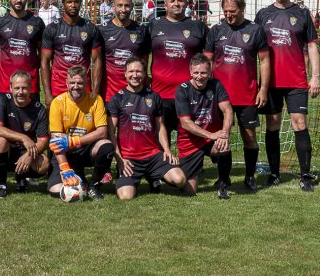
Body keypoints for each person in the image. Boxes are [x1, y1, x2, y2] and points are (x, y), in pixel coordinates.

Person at [254, 0, 320, 191]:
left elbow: (311, 45)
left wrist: (315, 76)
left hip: (297, 80)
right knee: (272, 124)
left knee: (299, 123)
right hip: (270, 82)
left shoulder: (302, 13)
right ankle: (274, 173)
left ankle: (305, 175)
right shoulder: (263, 14)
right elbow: (253, 47)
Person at [204, 0, 270, 192]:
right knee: (222, 136)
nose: (229, 15)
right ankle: (224, 178)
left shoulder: (255, 30)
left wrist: (263, 89)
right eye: (225, 12)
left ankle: (249, 176)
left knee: (249, 137)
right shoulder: (216, 30)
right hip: (219, 97)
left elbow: (265, 61)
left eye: (233, 11)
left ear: (242, 9)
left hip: (247, 95)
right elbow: (207, 61)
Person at [107, 58, 188, 200]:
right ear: (125, 74)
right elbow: (111, 133)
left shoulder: (154, 97)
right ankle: (137, 179)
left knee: (180, 180)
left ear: (144, 74)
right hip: (129, 159)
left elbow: (161, 126)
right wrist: (119, 158)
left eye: (139, 71)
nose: (135, 75)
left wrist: (167, 150)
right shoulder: (117, 99)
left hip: (153, 156)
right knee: (126, 197)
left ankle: (153, 177)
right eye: (131, 71)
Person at [148, 0, 208, 141]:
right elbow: (142, 57)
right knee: (161, 137)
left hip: (190, 93)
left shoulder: (198, 26)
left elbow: (209, 57)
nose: (176, 3)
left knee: (190, 138)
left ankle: (189, 164)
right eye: (172, 0)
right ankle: (165, 165)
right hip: (160, 93)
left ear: (186, 3)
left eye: (180, 0)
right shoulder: (153, 25)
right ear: (165, 4)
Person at [46, 66, 114, 200]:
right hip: (66, 152)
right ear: (66, 83)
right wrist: (65, 168)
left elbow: (102, 132)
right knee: (55, 189)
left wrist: (74, 141)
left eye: (80, 83)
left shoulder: (96, 100)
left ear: (86, 83)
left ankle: (94, 185)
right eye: (72, 83)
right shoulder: (57, 103)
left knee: (107, 146)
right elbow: (55, 141)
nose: (76, 86)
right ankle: (79, 180)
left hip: (85, 149)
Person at [175, 55, 235, 198]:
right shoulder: (182, 90)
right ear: (190, 72)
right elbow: (186, 123)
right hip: (190, 143)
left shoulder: (216, 85)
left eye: (203, 73)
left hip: (211, 141)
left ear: (210, 72)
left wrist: (224, 133)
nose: (200, 76)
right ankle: (177, 173)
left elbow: (228, 110)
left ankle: (223, 182)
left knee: (224, 145)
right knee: (190, 191)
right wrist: (212, 135)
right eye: (196, 73)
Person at [40, 0, 104, 105]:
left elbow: (97, 61)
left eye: (76, 2)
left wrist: (95, 92)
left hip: (83, 86)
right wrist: (48, 94)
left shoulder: (91, 28)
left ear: (80, 3)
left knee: (83, 123)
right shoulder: (52, 28)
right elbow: (45, 61)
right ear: (63, 4)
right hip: (58, 87)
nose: (73, 5)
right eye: (69, 2)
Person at [0, 71, 50, 196]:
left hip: (26, 150)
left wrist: (29, 156)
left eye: (24, 88)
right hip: (6, 150)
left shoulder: (39, 109)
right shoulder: (2, 100)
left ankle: (21, 177)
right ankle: (1, 184)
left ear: (30, 88)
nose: (20, 92)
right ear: (10, 88)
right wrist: (23, 137)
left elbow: (44, 141)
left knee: (44, 163)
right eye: (17, 88)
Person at [0, 0, 46, 101]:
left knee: (31, 120)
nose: (19, 0)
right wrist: (3, 71)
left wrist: (34, 68)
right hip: (6, 85)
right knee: (2, 120)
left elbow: (43, 53)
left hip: (30, 84)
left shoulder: (37, 22)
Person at [98, 0, 150, 105]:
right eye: (119, 5)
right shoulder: (102, 30)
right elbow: (98, 61)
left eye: (127, 5)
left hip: (135, 88)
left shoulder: (141, 29)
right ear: (113, 7)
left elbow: (145, 59)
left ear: (131, 7)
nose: (123, 9)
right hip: (109, 90)